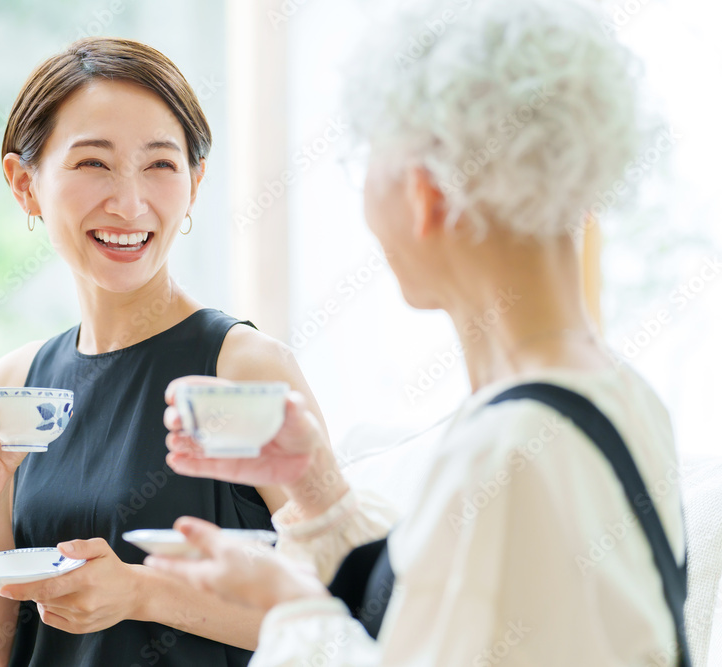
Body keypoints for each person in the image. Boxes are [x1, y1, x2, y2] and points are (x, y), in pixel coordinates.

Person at [150, 0, 690, 665]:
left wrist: (283, 608)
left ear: (424, 194)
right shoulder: (625, 397)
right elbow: (464, 609)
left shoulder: (503, 451)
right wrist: (319, 489)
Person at [0, 37, 327, 667]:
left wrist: (144, 594)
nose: (129, 202)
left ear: (195, 184)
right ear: (24, 183)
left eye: (160, 165)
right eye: (93, 163)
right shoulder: (20, 385)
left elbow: (337, 616)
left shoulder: (240, 370)